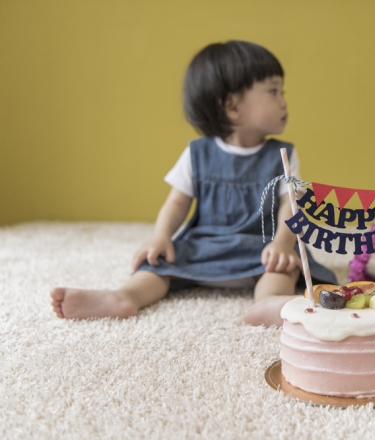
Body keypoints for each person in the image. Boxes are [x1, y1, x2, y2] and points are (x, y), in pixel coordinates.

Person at [50, 41, 337, 325]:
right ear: (232, 106)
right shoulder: (197, 153)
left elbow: (291, 204)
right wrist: (161, 235)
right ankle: (124, 297)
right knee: (158, 262)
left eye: (281, 91)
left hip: (260, 247)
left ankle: (267, 303)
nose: (284, 101)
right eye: (273, 91)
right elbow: (176, 202)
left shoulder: (282, 155)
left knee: (283, 268)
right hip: (205, 245)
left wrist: (282, 244)